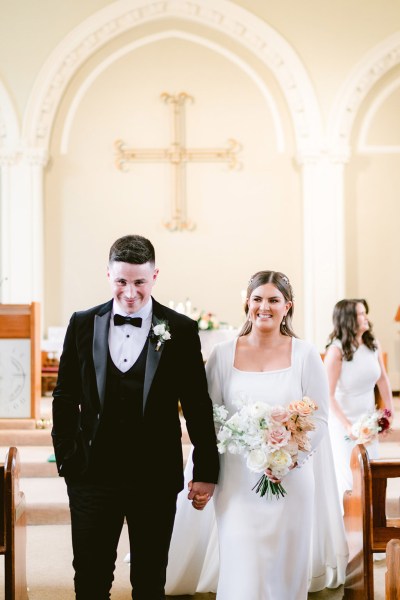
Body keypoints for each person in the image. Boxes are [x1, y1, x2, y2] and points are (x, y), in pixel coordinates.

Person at [51, 234, 219, 600]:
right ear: (108, 275)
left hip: (155, 477)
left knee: (149, 581)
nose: (130, 292)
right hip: (91, 474)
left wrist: (206, 469)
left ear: (155, 276)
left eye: (139, 282)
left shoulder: (182, 330)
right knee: (91, 580)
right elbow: (64, 397)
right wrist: (67, 458)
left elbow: (196, 403)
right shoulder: (82, 323)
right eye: (121, 281)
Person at [165, 270, 348, 599]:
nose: (265, 307)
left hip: (290, 476)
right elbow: (209, 417)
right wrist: (240, 445)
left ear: (287, 306)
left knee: (285, 561)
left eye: (274, 300)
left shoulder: (305, 354)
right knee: (242, 557)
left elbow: (318, 417)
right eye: (258, 299)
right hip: (237, 477)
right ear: (247, 304)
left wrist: (289, 459)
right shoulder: (223, 354)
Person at [325, 298, 393, 506]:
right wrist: (348, 426)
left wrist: (388, 414)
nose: (366, 318)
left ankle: (367, 524)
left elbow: (382, 379)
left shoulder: (372, 344)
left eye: (365, 313)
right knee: (349, 477)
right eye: (361, 314)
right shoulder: (336, 352)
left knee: (369, 472)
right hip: (343, 423)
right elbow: (328, 395)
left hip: (367, 421)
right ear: (347, 320)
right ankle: (347, 526)